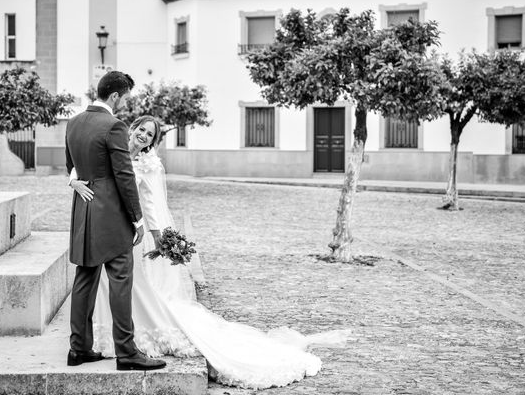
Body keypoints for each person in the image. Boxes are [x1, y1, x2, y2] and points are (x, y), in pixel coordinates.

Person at [71, 115, 350, 389]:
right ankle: (110, 337)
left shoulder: (150, 165)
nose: (143, 136)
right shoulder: (114, 149)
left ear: (152, 142)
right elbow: (85, 167)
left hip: (134, 231)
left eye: (150, 135)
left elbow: (151, 203)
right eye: (141, 130)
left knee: (136, 287)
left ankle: (133, 338)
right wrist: (73, 181)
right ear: (132, 129)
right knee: (117, 287)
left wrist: (155, 236)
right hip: (110, 229)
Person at [65, 71, 166, 371]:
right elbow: (124, 176)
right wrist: (136, 220)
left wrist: (77, 182)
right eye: (125, 98)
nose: (125, 104)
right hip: (111, 215)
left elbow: (71, 165)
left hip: (83, 211)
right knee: (121, 278)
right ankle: (127, 353)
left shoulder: (73, 122)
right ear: (114, 97)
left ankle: (78, 349)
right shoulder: (114, 126)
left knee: (85, 278)